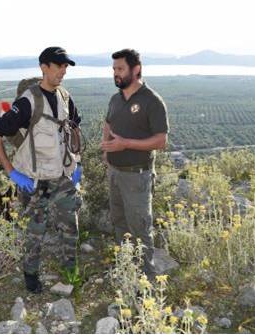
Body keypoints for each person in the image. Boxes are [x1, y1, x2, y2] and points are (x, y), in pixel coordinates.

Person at [0, 47, 82, 293]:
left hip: (62, 176)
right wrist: (11, 172)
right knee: (34, 231)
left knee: (70, 225)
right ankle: (31, 276)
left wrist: (77, 162)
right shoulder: (28, 101)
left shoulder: (64, 96)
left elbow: (74, 128)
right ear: (44, 67)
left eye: (65, 66)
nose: (63, 71)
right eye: (58, 65)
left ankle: (70, 270)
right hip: (34, 180)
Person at [101, 49, 169, 280]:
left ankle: (146, 280)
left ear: (136, 69)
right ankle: (126, 269)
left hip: (137, 176)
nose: (116, 74)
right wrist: (107, 148)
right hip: (115, 172)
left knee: (140, 228)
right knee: (119, 222)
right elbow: (108, 124)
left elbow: (161, 141)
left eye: (120, 69)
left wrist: (125, 144)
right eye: (114, 69)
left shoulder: (151, 100)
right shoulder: (116, 99)